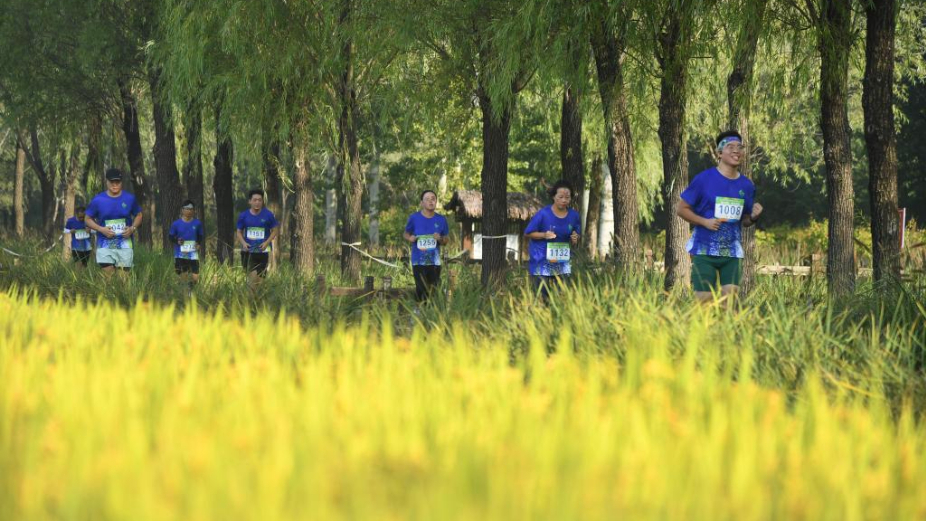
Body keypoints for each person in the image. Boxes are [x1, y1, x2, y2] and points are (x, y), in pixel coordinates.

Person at [676, 130, 764, 303]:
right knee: (704, 302)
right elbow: (681, 209)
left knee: (728, 303)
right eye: (730, 146)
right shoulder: (703, 179)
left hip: (732, 253)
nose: (736, 150)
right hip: (704, 250)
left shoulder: (747, 186)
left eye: (740, 147)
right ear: (719, 153)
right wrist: (704, 222)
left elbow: (745, 220)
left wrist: (754, 217)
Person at [524, 180, 582, 301]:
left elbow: (576, 234)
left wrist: (575, 237)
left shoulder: (574, 216)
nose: (564, 200)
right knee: (541, 298)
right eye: (560, 197)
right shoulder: (543, 214)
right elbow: (528, 233)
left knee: (561, 297)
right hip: (541, 261)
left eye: (567, 197)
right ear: (553, 197)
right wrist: (544, 235)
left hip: (562, 262)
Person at [84, 168, 143, 276]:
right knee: (108, 278)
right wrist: (101, 229)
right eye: (112, 182)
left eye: (117, 182)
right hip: (104, 244)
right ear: (106, 181)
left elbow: (139, 215)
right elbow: (87, 219)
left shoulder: (130, 198)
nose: (115, 185)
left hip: (125, 245)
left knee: (123, 280)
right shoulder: (98, 200)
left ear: (121, 182)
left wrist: (132, 228)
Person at [404, 190, 450, 301]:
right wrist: (410, 238)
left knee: (434, 291)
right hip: (418, 261)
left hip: (434, 262)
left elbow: (446, 240)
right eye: (427, 199)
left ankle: (433, 311)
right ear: (422, 203)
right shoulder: (414, 218)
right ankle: (420, 310)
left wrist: (440, 239)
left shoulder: (441, 219)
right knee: (421, 290)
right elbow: (406, 233)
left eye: (433, 199)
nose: (431, 201)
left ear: (436, 202)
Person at [236, 189, 280, 291]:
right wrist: (244, 243)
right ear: (250, 201)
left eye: (260, 200)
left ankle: (257, 300)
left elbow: (275, 230)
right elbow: (239, 232)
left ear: (262, 201)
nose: (257, 202)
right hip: (248, 252)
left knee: (260, 284)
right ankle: (250, 300)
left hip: (263, 252)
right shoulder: (243, 216)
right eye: (255, 200)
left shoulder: (268, 215)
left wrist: (267, 243)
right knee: (252, 280)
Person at [168, 200, 205, 290]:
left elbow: (200, 236)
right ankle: (183, 293)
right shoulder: (176, 224)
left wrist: (198, 243)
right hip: (180, 254)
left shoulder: (197, 223)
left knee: (195, 278)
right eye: (187, 209)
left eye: (191, 209)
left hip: (193, 254)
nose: (189, 211)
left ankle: (191, 291)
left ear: (194, 211)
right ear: (182, 210)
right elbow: (170, 236)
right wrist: (177, 241)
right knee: (182, 277)